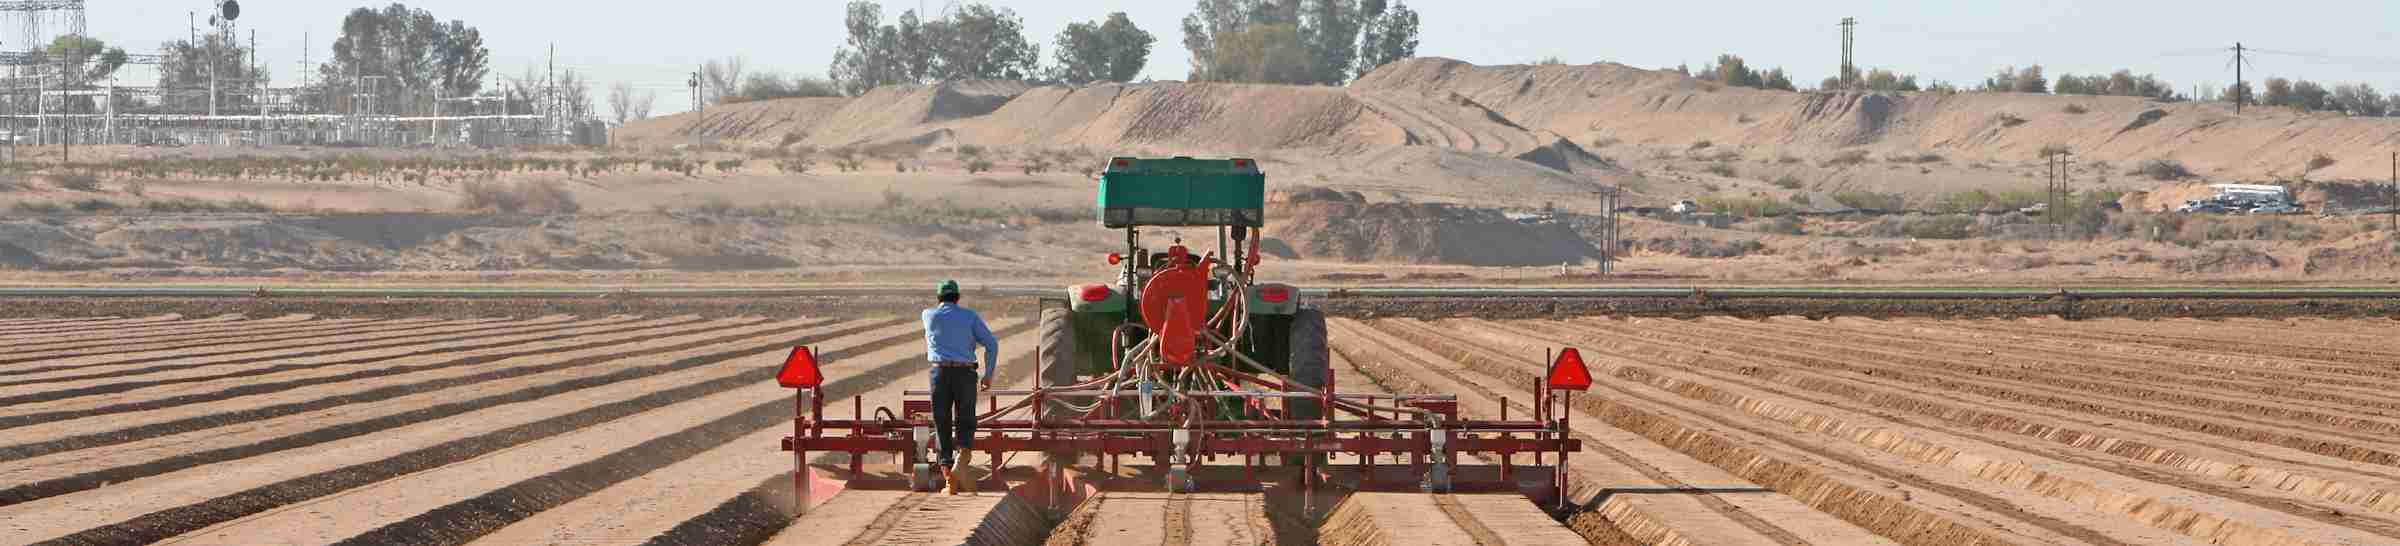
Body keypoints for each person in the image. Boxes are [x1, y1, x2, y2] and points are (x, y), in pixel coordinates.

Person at [922, 279, 998, 495]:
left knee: (942, 423)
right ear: (957, 298)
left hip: (939, 373)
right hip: (965, 373)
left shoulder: (928, 315)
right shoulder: (970, 316)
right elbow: (992, 344)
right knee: (965, 419)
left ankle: (949, 482)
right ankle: (962, 461)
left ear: (938, 298)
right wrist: (988, 375)